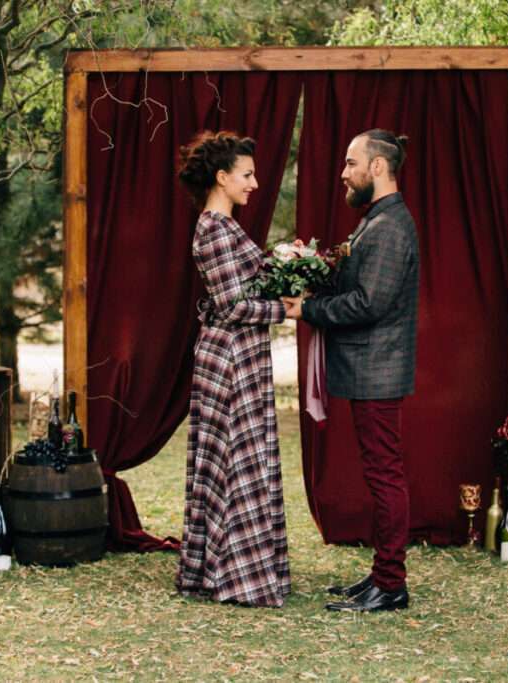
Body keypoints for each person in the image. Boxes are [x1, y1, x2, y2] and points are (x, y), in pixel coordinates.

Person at [283, 128, 420, 613]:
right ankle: (381, 576)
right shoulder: (376, 221)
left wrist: (309, 310)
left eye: (350, 163)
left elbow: (369, 302)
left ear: (377, 167)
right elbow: (356, 283)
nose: (343, 173)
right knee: (380, 472)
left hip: (377, 370)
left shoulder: (389, 227)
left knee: (385, 475)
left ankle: (391, 584)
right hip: (369, 370)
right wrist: (310, 268)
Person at [176, 131, 290, 608]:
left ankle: (240, 570)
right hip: (229, 357)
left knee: (241, 458)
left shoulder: (226, 227)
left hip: (242, 354)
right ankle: (234, 576)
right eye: (247, 175)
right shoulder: (214, 228)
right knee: (233, 459)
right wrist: (288, 309)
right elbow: (233, 303)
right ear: (222, 178)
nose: (256, 183)